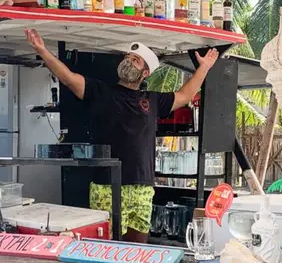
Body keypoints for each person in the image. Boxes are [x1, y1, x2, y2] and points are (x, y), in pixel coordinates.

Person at [26, 29, 218, 243]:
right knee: (106, 245)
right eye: (128, 57)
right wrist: (43, 51)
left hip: (142, 186)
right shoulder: (100, 91)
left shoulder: (152, 100)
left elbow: (185, 95)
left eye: (136, 60)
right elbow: (68, 78)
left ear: (145, 73)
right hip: (106, 186)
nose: (129, 60)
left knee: (137, 247)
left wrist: (204, 67)